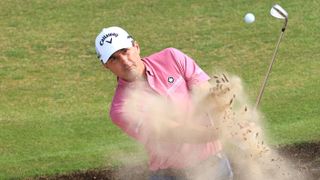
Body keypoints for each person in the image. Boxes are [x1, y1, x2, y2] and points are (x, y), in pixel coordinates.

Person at [95, 26, 233, 180]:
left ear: (136, 47)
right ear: (105, 65)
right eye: (114, 58)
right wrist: (219, 132)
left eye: (125, 51)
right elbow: (173, 133)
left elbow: (207, 94)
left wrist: (230, 120)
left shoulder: (171, 57)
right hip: (172, 174)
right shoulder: (121, 108)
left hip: (215, 164)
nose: (125, 61)